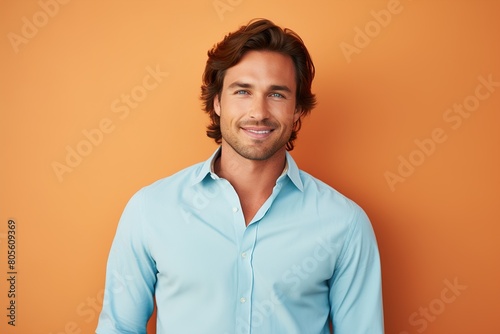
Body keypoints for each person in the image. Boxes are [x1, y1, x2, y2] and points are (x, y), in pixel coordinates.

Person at [96, 18, 384, 334]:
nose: (258, 111)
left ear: (297, 109)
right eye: (243, 91)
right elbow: (119, 327)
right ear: (217, 101)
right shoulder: (151, 209)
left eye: (277, 94)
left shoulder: (344, 224)